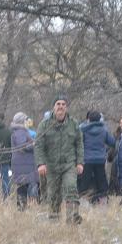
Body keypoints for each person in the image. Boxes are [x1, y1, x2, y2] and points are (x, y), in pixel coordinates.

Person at [35, 96, 84, 224]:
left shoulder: (73, 124)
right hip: (51, 166)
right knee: (53, 194)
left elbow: (79, 144)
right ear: (54, 107)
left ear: (66, 107)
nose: (61, 106)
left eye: (63, 104)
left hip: (69, 164)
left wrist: (80, 162)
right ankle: (54, 221)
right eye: (58, 104)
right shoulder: (44, 125)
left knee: (71, 188)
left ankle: (72, 220)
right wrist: (41, 164)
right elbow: (39, 145)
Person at [79, 110, 115, 204]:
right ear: (100, 119)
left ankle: (83, 200)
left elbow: (79, 143)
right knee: (101, 180)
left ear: (88, 119)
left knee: (85, 181)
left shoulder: (83, 130)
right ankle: (103, 201)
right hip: (100, 159)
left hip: (87, 159)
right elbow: (112, 142)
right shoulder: (103, 130)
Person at [10, 112, 39, 211]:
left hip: (23, 164)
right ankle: (22, 210)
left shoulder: (20, 131)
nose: (27, 122)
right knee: (23, 188)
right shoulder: (20, 132)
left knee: (23, 187)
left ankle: (22, 209)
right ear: (22, 121)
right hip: (23, 165)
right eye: (26, 120)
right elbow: (22, 146)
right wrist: (33, 145)